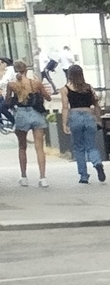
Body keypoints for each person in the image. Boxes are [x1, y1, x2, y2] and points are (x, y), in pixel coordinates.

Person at [8, 61, 51, 189]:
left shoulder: (12, 85)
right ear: (26, 70)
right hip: (36, 114)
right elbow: (48, 97)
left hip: (21, 114)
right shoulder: (36, 83)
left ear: (15, 70)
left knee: (22, 147)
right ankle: (43, 178)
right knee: (39, 148)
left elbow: (7, 101)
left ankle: (24, 177)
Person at [61, 64, 103, 185]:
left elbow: (65, 107)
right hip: (89, 116)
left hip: (75, 117)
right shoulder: (88, 88)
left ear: (69, 75)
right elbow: (96, 105)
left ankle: (83, 176)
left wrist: (64, 123)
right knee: (92, 146)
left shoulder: (65, 89)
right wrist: (98, 120)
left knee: (79, 147)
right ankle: (97, 163)